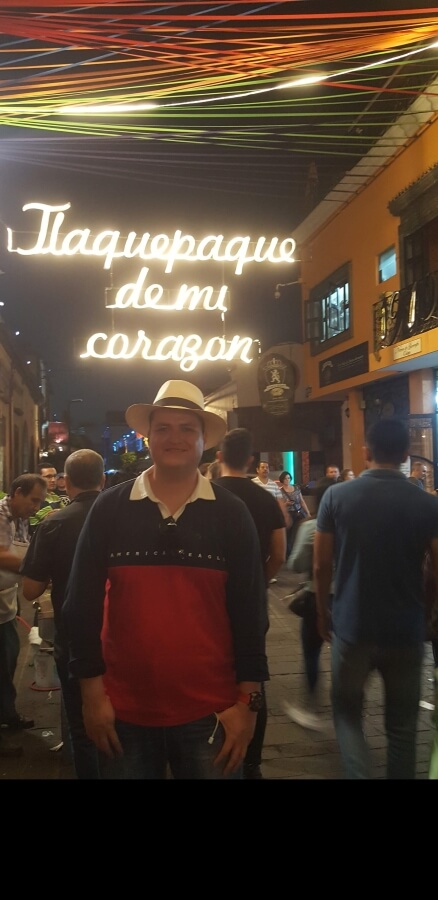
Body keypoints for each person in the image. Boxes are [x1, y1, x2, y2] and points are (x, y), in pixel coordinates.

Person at [63, 380, 269, 780]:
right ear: (148, 437)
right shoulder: (110, 508)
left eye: (186, 428)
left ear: (203, 440)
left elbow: (250, 613)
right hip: (122, 710)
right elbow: (80, 605)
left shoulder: (232, 513)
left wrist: (247, 703)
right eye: (163, 428)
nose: (174, 438)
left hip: (212, 712)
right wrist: (91, 695)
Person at [314, 418, 438, 779]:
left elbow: (321, 564)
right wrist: (427, 607)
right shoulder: (426, 503)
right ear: (404, 454)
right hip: (406, 630)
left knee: (348, 715)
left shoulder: (336, 496)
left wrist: (323, 611)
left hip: (352, 627)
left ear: (366, 452)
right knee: (402, 728)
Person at [21, 450, 106, 779]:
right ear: (103, 479)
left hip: (72, 637)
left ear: (66, 483)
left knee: (81, 725)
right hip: (121, 633)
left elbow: (30, 590)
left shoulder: (53, 523)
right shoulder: (123, 518)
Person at [215, 427, 286, 778]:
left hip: (211, 601)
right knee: (253, 675)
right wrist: (261, 580)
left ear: (218, 457)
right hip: (253, 602)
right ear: (251, 461)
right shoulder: (264, 499)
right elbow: (279, 553)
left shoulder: (208, 495)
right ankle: (252, 760)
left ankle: (215, 746)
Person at [0, 474, 47, 755]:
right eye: (33, 500)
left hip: (6, 604)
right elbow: (2, 555)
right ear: (17, 493)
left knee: (8, 662)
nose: (35, 506)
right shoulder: (1, 515)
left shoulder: (21, 518)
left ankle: (8, 716)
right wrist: (37, 569)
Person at [285, 476, 334, 730]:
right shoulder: (352, 526)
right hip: (348, 598)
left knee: (312, 652)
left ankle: (311, 707)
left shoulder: (311, 527)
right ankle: (346, 706)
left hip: (317, 596)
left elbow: (296, 564)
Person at [278, 470, 310, 558]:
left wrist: (307, 512)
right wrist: (286, 504)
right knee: (288, 534)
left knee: (298, 533)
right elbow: (279, 505)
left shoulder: (296, 489)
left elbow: (302, 501)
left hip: (298, 513)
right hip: (288, 513)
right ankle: (289, 553)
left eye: (288, 478)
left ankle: (298, 553)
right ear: (282, 480)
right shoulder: (280, 491)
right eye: (285, 478)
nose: (287, 480)